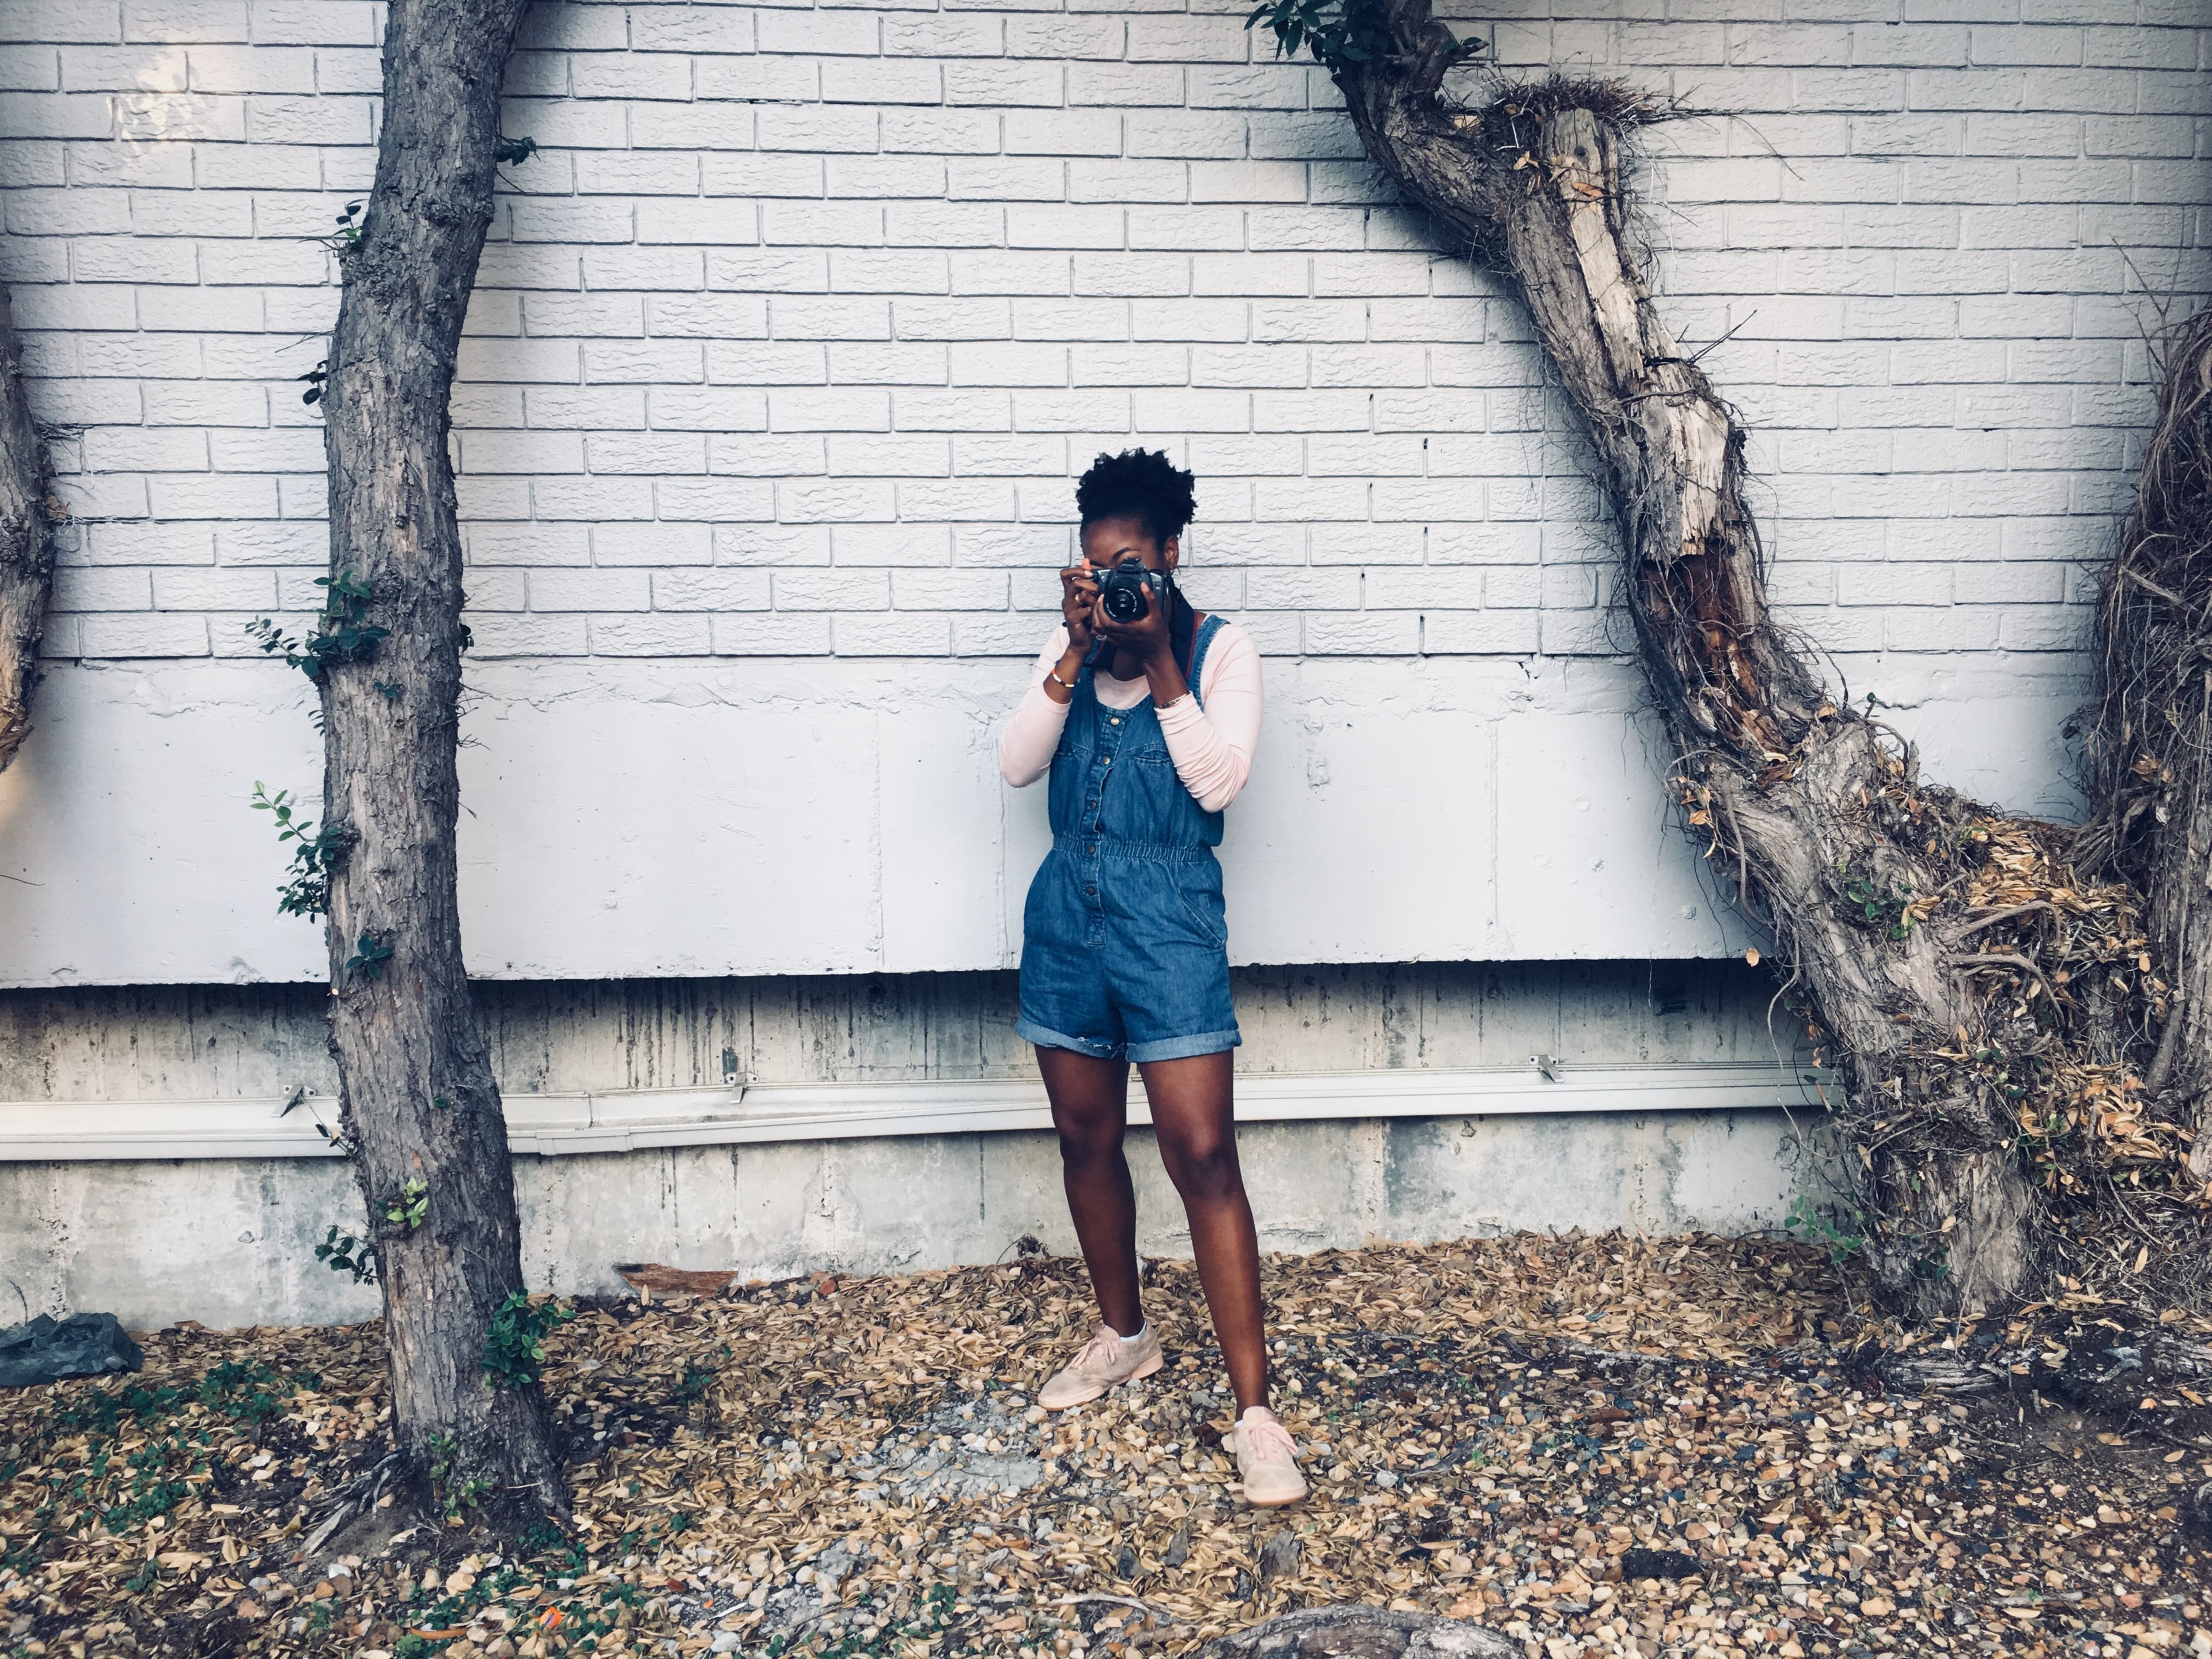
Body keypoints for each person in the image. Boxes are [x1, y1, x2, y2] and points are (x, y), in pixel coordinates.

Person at [997, 448, 1305, 1509]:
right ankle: (1125, 1336)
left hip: (1170, 926)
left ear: (1171, 554)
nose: (1113, 583)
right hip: (1067, 925)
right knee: (1085, 1140)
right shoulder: (1073, 643)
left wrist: (1159, 659)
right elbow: (1016, 763)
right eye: (1096, 569)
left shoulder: (1222, 652)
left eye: (1129, 566)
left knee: (1203, 1156)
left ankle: (1255, 1415)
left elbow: (1218, 783)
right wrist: (1078, 653)